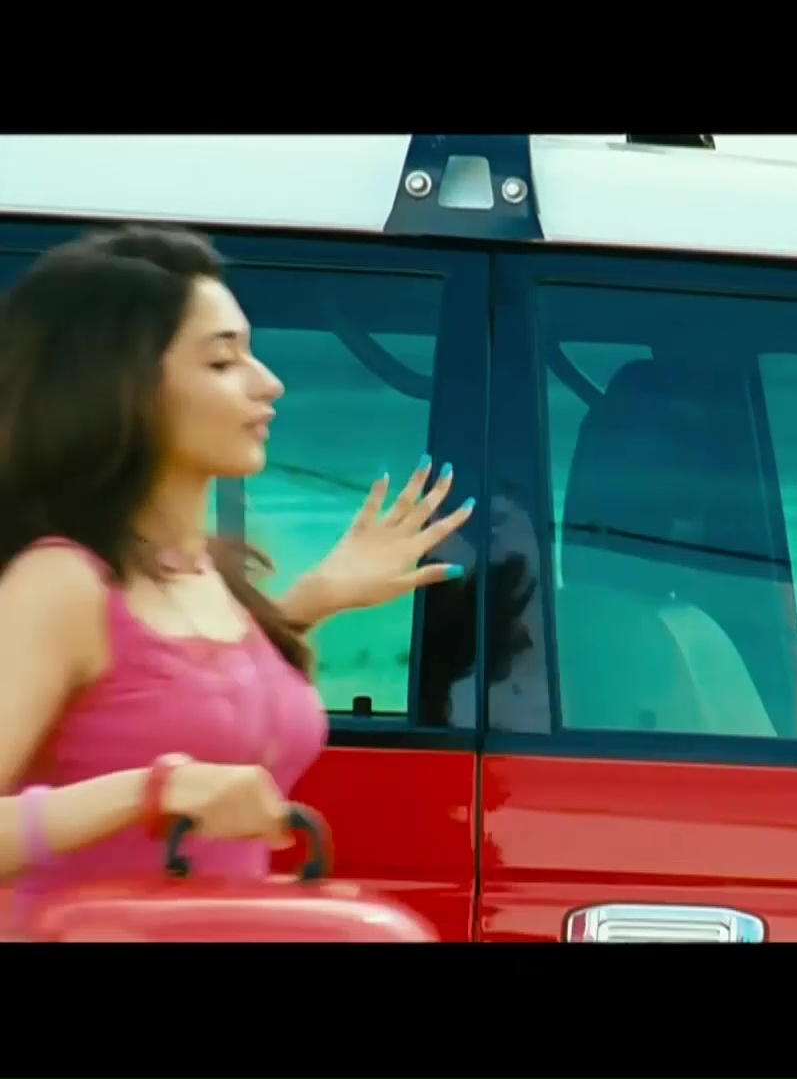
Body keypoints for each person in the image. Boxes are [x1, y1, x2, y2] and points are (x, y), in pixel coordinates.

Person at [0, 225, 474, 914]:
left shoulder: (208, 576)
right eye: (223, 362)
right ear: (124, 389)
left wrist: (316, 599)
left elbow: (177, 688)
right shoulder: (61, 585)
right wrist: (154, 791)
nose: (268, 384)